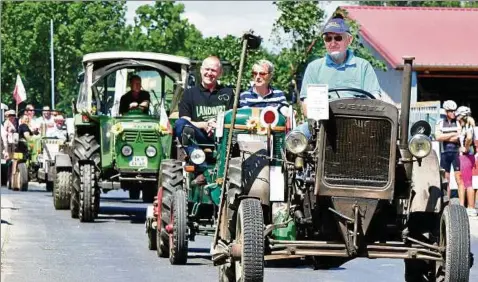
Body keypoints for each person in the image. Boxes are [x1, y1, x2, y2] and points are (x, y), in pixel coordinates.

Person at [295, 15, 390, 139]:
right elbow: (306, 103)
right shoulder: (314, 68)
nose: (333, 43)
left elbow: (375, 100)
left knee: (386, 139)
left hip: (359, 125)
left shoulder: (363, 66)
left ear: (349, 40)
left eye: (338, 38)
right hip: (323, 125)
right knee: (295, 137)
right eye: (328, 38)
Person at [175, 56, 234, 184]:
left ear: (220, 73)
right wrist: (204, 125)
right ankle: (200, 163)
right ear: (201, 70)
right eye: (207, 69)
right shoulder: (189, 94)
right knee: (180, 125)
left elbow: (233, 118)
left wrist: (218, 125)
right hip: (199, 136)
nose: (209, 73)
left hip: (223, 137)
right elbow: (185, 120)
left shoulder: (229, 93)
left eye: (213, 70)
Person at [435, 100, 464, 204]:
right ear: (446, 112)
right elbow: (438, 137)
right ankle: (447, 204)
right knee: (446, 180)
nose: (453, 113)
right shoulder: (440, 122)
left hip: (456, 153)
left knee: (459, 179)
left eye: (454, 111)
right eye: (450, 111)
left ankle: (461, 205)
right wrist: (453, 135)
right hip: (444, 153)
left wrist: (446, 137)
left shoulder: (458, 122)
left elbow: (459, 138)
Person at [455, 106, 477, 216]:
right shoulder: (468, 126)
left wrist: (466, 148)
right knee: (466, 181)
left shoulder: (468, 127)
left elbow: (469, 138)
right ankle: (467, 207)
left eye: (458, 116)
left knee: (467, 183)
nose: (457, 118)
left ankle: (471, 208)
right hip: (468, 156)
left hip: (466, 156)